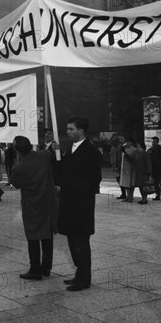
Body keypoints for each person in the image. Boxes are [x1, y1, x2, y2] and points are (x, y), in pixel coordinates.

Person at [54, 116, 102, 292]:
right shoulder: (70, 149)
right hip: (69, 204)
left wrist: (74, 188)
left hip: (81, 205)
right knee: (72, 242)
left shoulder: (91, 151)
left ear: (81, 131)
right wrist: (56, 154)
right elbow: (63, 170)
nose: (67, 132)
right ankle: (79, 274)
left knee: (81, 243)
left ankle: (84, 279)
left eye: (70, 129)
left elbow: (95, 179)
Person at [10, 135, 58, 280]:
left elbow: (15, 182)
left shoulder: (20, 167)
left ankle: (35, 269)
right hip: (48, 203)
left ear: (17, 150)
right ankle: (46, 268)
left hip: (32, 205)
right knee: (47, 237)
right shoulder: (43, 156)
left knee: (33, 238)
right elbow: (50, 152)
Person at [147, 136, 161, 201]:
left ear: (158, 142)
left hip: (160, 167)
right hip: (153, 168)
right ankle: (157, 195)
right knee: (155, 182)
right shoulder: (149, 150)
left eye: (155, 141)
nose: (153, 143)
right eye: (152, 142)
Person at [119, 138, 138, 202]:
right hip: (124, 168)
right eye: (126, 142)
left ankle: (131, 196)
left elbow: (130, 158)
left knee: (130, 184)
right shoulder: (125, 148)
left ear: (131, 143)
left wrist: (124, 152)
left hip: (131, 168)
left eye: (128, 142)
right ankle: (127, 196)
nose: (126, 143)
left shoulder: (134, 149)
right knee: (125, 183)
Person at [109, 135, 126, 200]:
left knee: (126, 181)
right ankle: (123, 193)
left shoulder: (126, 146)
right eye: (120, 139)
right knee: (120, 180)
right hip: (120, 166)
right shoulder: (119, 147)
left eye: (122, 139)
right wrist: (115, 165)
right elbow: (117, 157)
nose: (121, 140)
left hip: (126, 166)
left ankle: (127, 194)